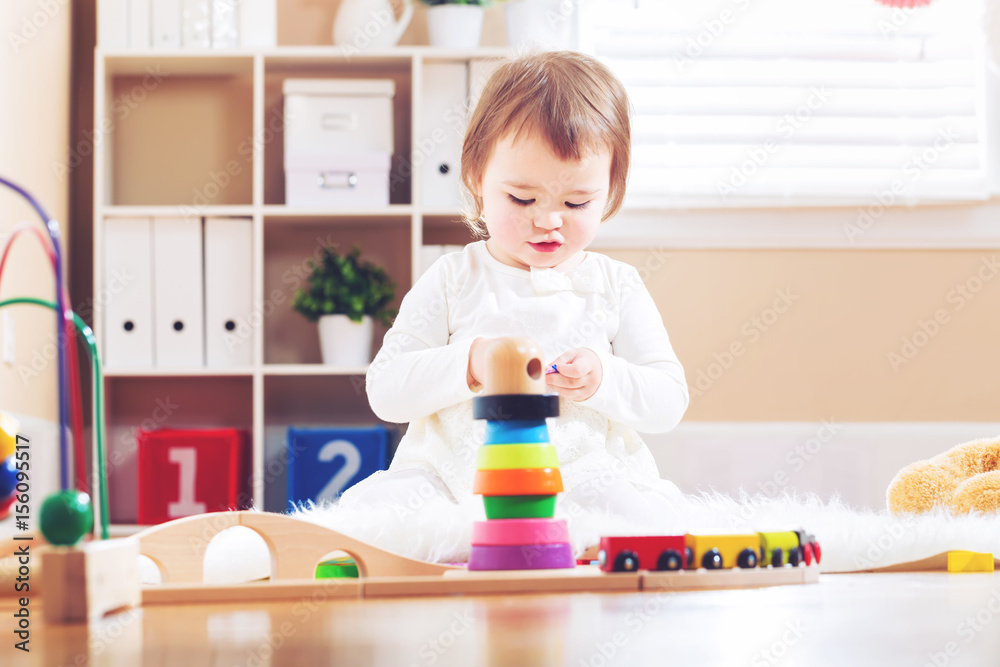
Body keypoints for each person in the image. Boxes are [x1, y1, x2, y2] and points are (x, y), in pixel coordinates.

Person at [334, 51, 689, 562]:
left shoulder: (615, 285)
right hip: (454, 480)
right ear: (477, 180)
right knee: (379, 516)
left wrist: (601, 378)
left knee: (635, 521)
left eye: (576, 203)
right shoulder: (454, 279)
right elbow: (386, 392)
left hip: (580, 476)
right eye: (523, 200)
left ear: (610, 191)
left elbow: (668, 399)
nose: (549, 221)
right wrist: (471, 363)